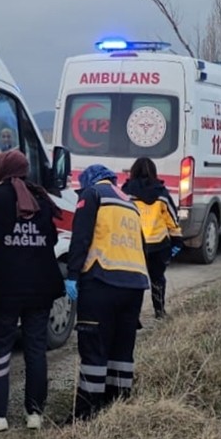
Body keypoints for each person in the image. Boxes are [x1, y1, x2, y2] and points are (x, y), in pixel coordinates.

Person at [0, 150, 63, 431]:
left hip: (5, 286)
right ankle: (34, 413)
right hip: (41, 285)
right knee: (36, 348)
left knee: (0, 345)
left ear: (1, 170)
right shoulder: (42, 199)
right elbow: (51, 237)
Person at [64, 163, 150, 422]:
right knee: (121, 350)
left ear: (89, 181)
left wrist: (72, 275)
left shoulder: (93, 196)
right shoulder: (130, 204)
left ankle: (86, 413)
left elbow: (81, 237)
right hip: (134, 286)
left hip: (102, 281)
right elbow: (142, 246)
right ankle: (118, 407)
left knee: (94, 349)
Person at [121, 157, 183, 319]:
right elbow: (172, 218)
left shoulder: (125, 193)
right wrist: (177, 239)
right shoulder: (162, 194)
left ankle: (132, 315)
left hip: (133, 244)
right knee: (157, 279)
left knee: (133, 282)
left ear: (133, 172)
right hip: (159, 244)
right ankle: (159, 311)